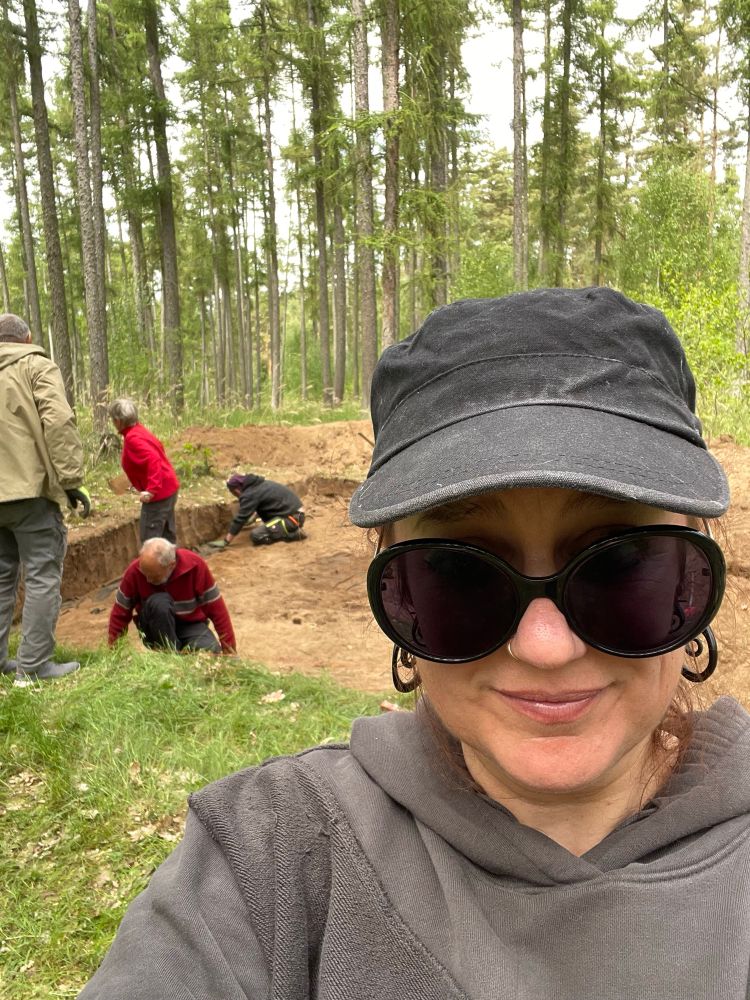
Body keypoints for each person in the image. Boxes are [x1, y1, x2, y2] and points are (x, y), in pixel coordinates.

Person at [79, 289, 749, 1000]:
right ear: (393, 584)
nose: (546, 647)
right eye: (457, 573)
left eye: (620, 563)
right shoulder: (269, 861)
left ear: (696, 576)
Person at [0, 313, 89, 688]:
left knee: (1, 577)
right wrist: (72, 481)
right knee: (41, 574)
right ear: (28, 336)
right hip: (29, 492)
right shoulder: (35, 365)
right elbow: (58, 422)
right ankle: (33, 668)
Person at [108, 537, 236, 655]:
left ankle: (182, 653)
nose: (147, 579)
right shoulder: (134, 571)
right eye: (144, 573)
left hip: (190, 625)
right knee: (160, 603)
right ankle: (171, 657)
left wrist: (230, 651)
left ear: (171, 565)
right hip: (155, 627)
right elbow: (120, 613)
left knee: (210, 652)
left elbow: (217, 609)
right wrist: (114, 653)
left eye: (153, 576)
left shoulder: (195, 565)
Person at [109, 398, 180, 544]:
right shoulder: (139, 430)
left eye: (113, 419)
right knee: (166, 540)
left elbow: (153, 459)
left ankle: (157, 566)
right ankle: (174, 565)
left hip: (159, 495)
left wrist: (152, 489)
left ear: (118, 421)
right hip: (168, 488)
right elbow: (159, 449)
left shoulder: (132, 438)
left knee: (151, 545)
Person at [210, 472, 305, 547]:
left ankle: (293, 535)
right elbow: (265, 504)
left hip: (292, 519)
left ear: (236, 490)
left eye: (233, 493)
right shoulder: (257, 485)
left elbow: (240, 519)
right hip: (294, 513)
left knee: (256, 535)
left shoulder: (250, 494)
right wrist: (252, 519)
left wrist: (226, 541)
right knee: (264, 526)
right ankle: (285, 530)